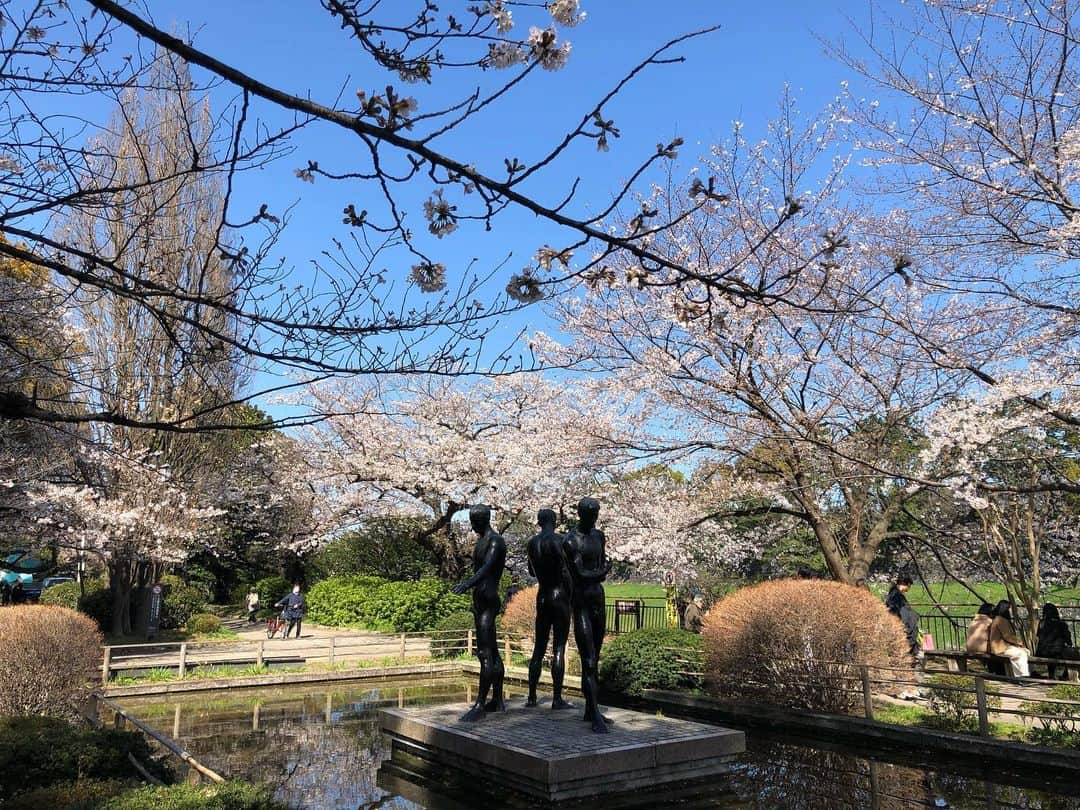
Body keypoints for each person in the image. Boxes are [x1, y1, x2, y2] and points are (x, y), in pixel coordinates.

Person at [452, 504, 507, 721]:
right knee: (491, 650)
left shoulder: (495, 541)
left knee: (485, 653)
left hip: (489, 598)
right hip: (480, 600)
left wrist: (466, 584)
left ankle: (480, 704)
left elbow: (486, 569)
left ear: (482, 520)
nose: (472, 526)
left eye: (474, 521)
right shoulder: (482, 541)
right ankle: (498, 699)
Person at [563, 496, 611, 734]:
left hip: (598, 598)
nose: (595, 518)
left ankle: (592, 709)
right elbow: (580, 573)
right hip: (580, 601)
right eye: (591, 514)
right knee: (588, 659)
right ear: (581, 514)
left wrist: (601, 572)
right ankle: (594, 715)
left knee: (596, 657)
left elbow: (600, 567)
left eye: (597, 513)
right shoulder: (571, 540)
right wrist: (602, 572)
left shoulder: (599, 536)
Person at [524, 509, 574, 710]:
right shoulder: (560, 540)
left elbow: (530, 571)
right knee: (559, 647)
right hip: (559, 595)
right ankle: (556, 698)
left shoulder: (532, 543)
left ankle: (531, 696)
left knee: (539, 647)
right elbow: (567, 570)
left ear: (538, 522)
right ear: (554, 521)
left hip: (542, 595)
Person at [1036, 603, 1080, 680]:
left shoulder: (1041, 624)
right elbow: (1069, 641)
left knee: (1054, 651)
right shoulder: (1061, 624)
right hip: (1055, 652)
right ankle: (1065, 676)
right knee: (1073, 654)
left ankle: (1052, 675)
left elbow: (1038, 636)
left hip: (1041, 652)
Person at [989, 600, 1030, 678]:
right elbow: (1007, 636)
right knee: (1020, 654)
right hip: (1000, 648)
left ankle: (1022, 675)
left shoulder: (1000, 619)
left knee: (1025, 652)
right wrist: (1020, 642)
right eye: (1009, 609)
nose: (1010, 611)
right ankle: (1022, 676)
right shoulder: (1000, 620)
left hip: (1004, 647)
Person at [885, 575, 921, 661]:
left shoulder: (894, 594)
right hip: (903, 624)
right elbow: (902, 612)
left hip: (902, 623)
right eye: (909, 586)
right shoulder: (896, 596)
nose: (908, 589)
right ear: (905, 584)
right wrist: (913, 617)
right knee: (906, 643)